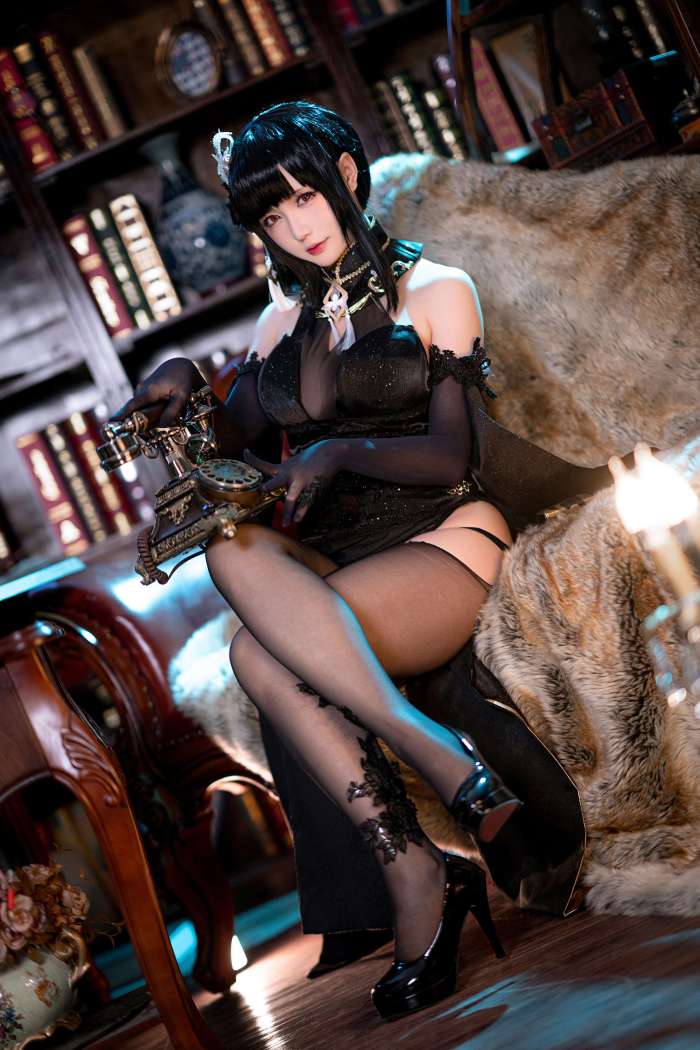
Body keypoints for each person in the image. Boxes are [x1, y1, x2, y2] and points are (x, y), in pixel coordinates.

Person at [116, 101, 610, 1020]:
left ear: (346, 175)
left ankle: (422, 860)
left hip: (443, 540)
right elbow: (233, 447)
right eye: (272, 216)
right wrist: (182, 376)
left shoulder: (438, 288)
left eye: (304, 196)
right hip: (338, 569)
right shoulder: (281, 324)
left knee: (257, 654)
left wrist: (339, 450)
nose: (295, 227)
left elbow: (452, 454)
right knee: (233, 563)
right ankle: (429, 819)